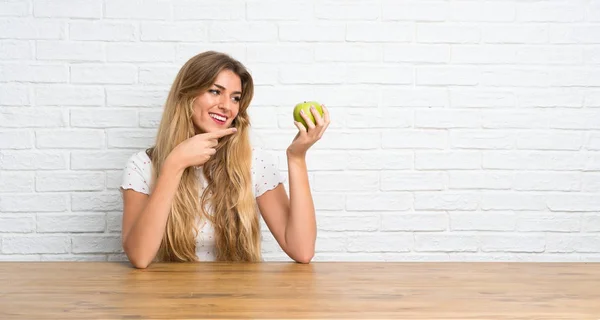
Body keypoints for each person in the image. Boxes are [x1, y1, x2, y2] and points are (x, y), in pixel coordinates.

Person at [119, 51, 330, 268]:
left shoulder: (254, 163)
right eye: (215, 91)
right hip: (169, 298)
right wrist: (175, 164)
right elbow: (139, 257)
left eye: (235, 98)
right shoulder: (142, 166)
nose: (227, 106)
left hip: (238, 298)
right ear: (186, 95)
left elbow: (302, 250)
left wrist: (296, 157)